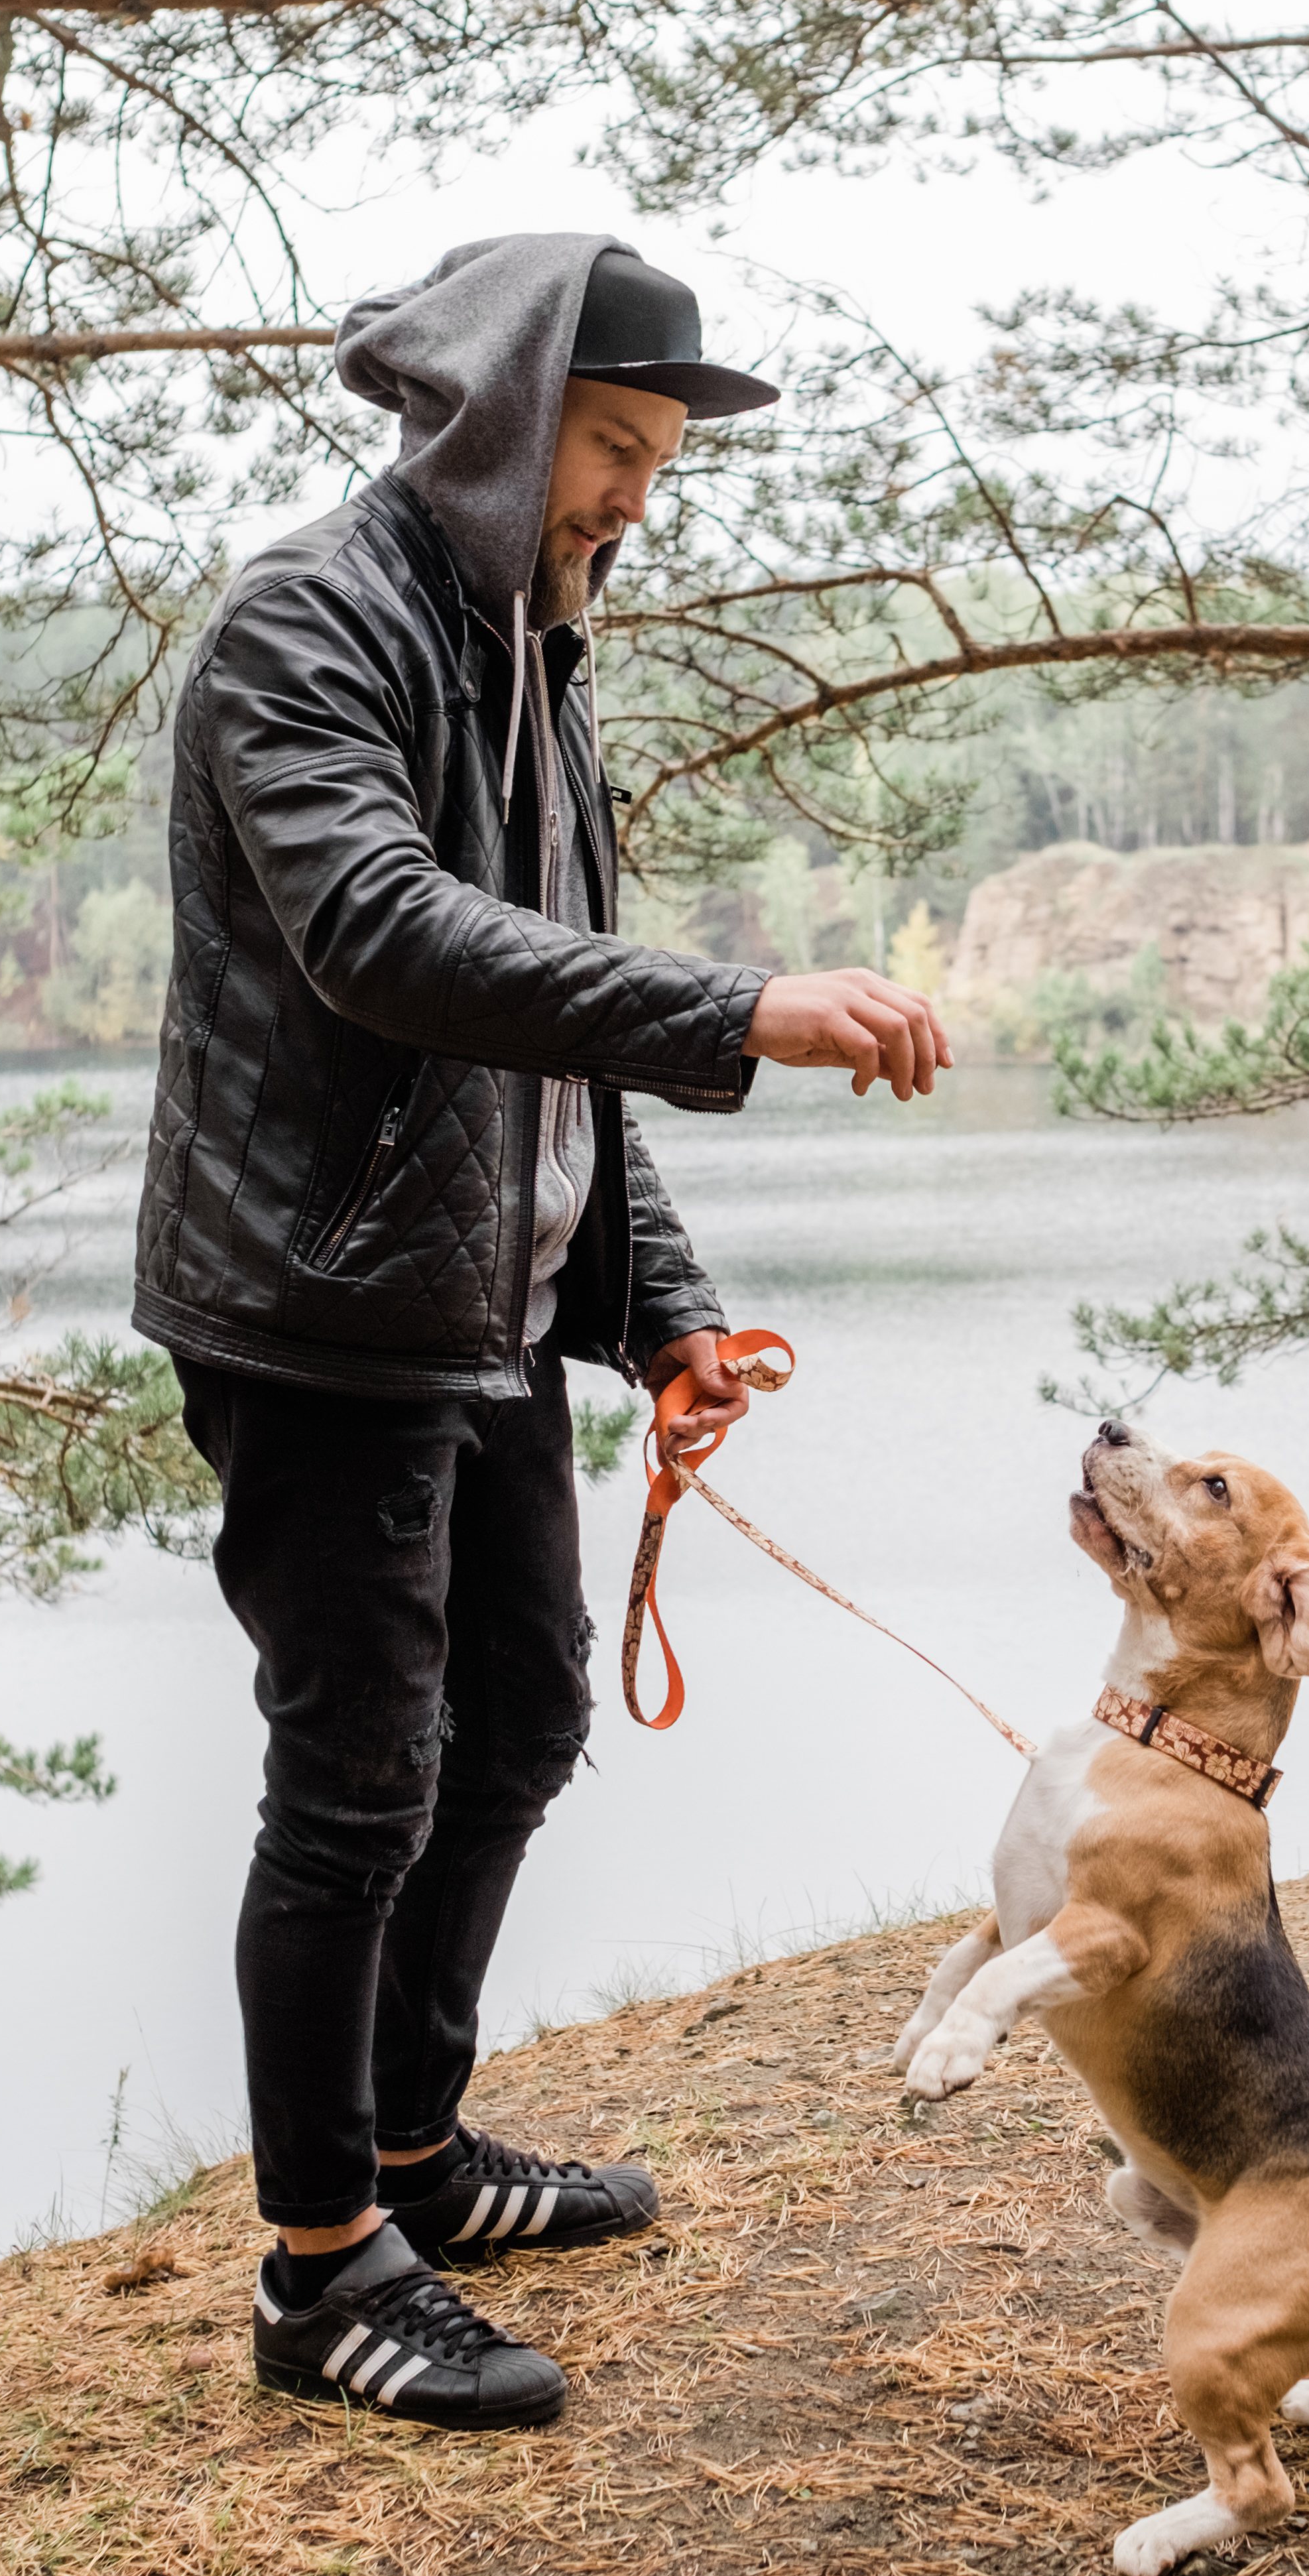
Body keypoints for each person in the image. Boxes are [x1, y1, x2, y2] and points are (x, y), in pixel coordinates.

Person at [137, 234, 951, 2431]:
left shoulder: (529, 651)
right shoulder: (308, 624)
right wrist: (739, 1004)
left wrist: (662, 1311)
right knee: (356, 1783)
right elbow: (390, 940)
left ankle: (417, 2154)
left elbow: (541, 1063)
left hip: (478, 1307)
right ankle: (322, 2274)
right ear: (504, 419)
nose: (636, 501)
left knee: (515, 1721)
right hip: (321, 1312)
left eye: (660, 463)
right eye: (614, 449)